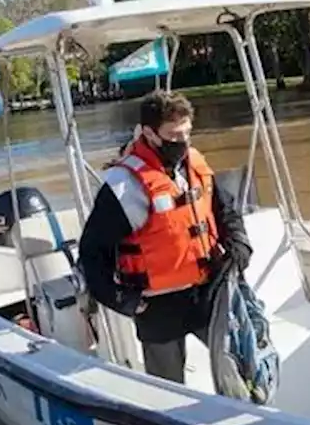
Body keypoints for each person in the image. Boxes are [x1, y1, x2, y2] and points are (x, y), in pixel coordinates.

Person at [78, 90, 252, 384]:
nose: (182, 142)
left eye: (187, 133)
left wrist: (239, 243)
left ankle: (249, 416)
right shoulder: (124, 186)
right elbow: (92, 252)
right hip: (157, 306)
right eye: (173, 135)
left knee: (243, 363)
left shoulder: (195, 164)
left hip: (207, 289)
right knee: (167, 388)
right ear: (149, 133)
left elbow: (225, 212)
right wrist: (121, 299)